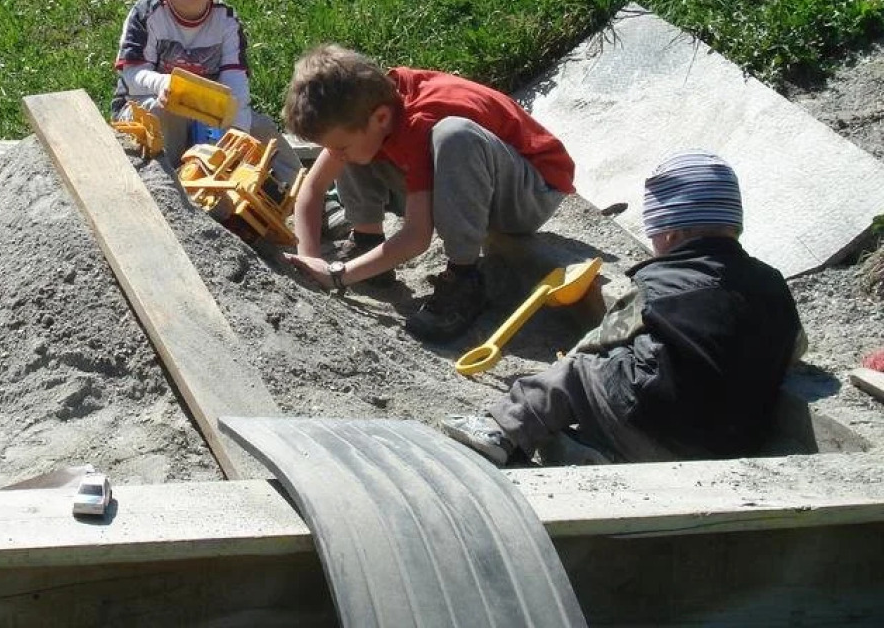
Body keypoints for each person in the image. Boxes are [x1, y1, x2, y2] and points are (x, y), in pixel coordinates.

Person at [441, 151, 805, 466]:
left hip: (653, 423)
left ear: (671, 233)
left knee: (583, 370)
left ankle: (502, 430)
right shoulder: (771, 284)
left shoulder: (660, 283)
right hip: (731, 445)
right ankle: (596, 451)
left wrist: (575, 358)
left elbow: (604, 337)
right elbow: (796, 346)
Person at [281, 44, 574, 341]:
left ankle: (465, 275)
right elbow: (313, 189)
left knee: (454, 135)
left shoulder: (419, 121)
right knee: (357, 152)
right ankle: (367, 242)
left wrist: (337, 275)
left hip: (530, 192)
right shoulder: (370, 109)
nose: (334, 155)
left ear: (381, 117)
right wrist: (310, 260)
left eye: (338, 146)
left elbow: (417, 237)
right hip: (480, 179)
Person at [111, 0, 300, 173]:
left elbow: (235, 84)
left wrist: (238, 133)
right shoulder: (147, 14)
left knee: (259, 127)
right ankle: (168, 182)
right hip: (145, 107)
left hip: (205, 112)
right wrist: (164, 83)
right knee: (164, 113)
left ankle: (301, 188)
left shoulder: (226, 20)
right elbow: (132, 75)